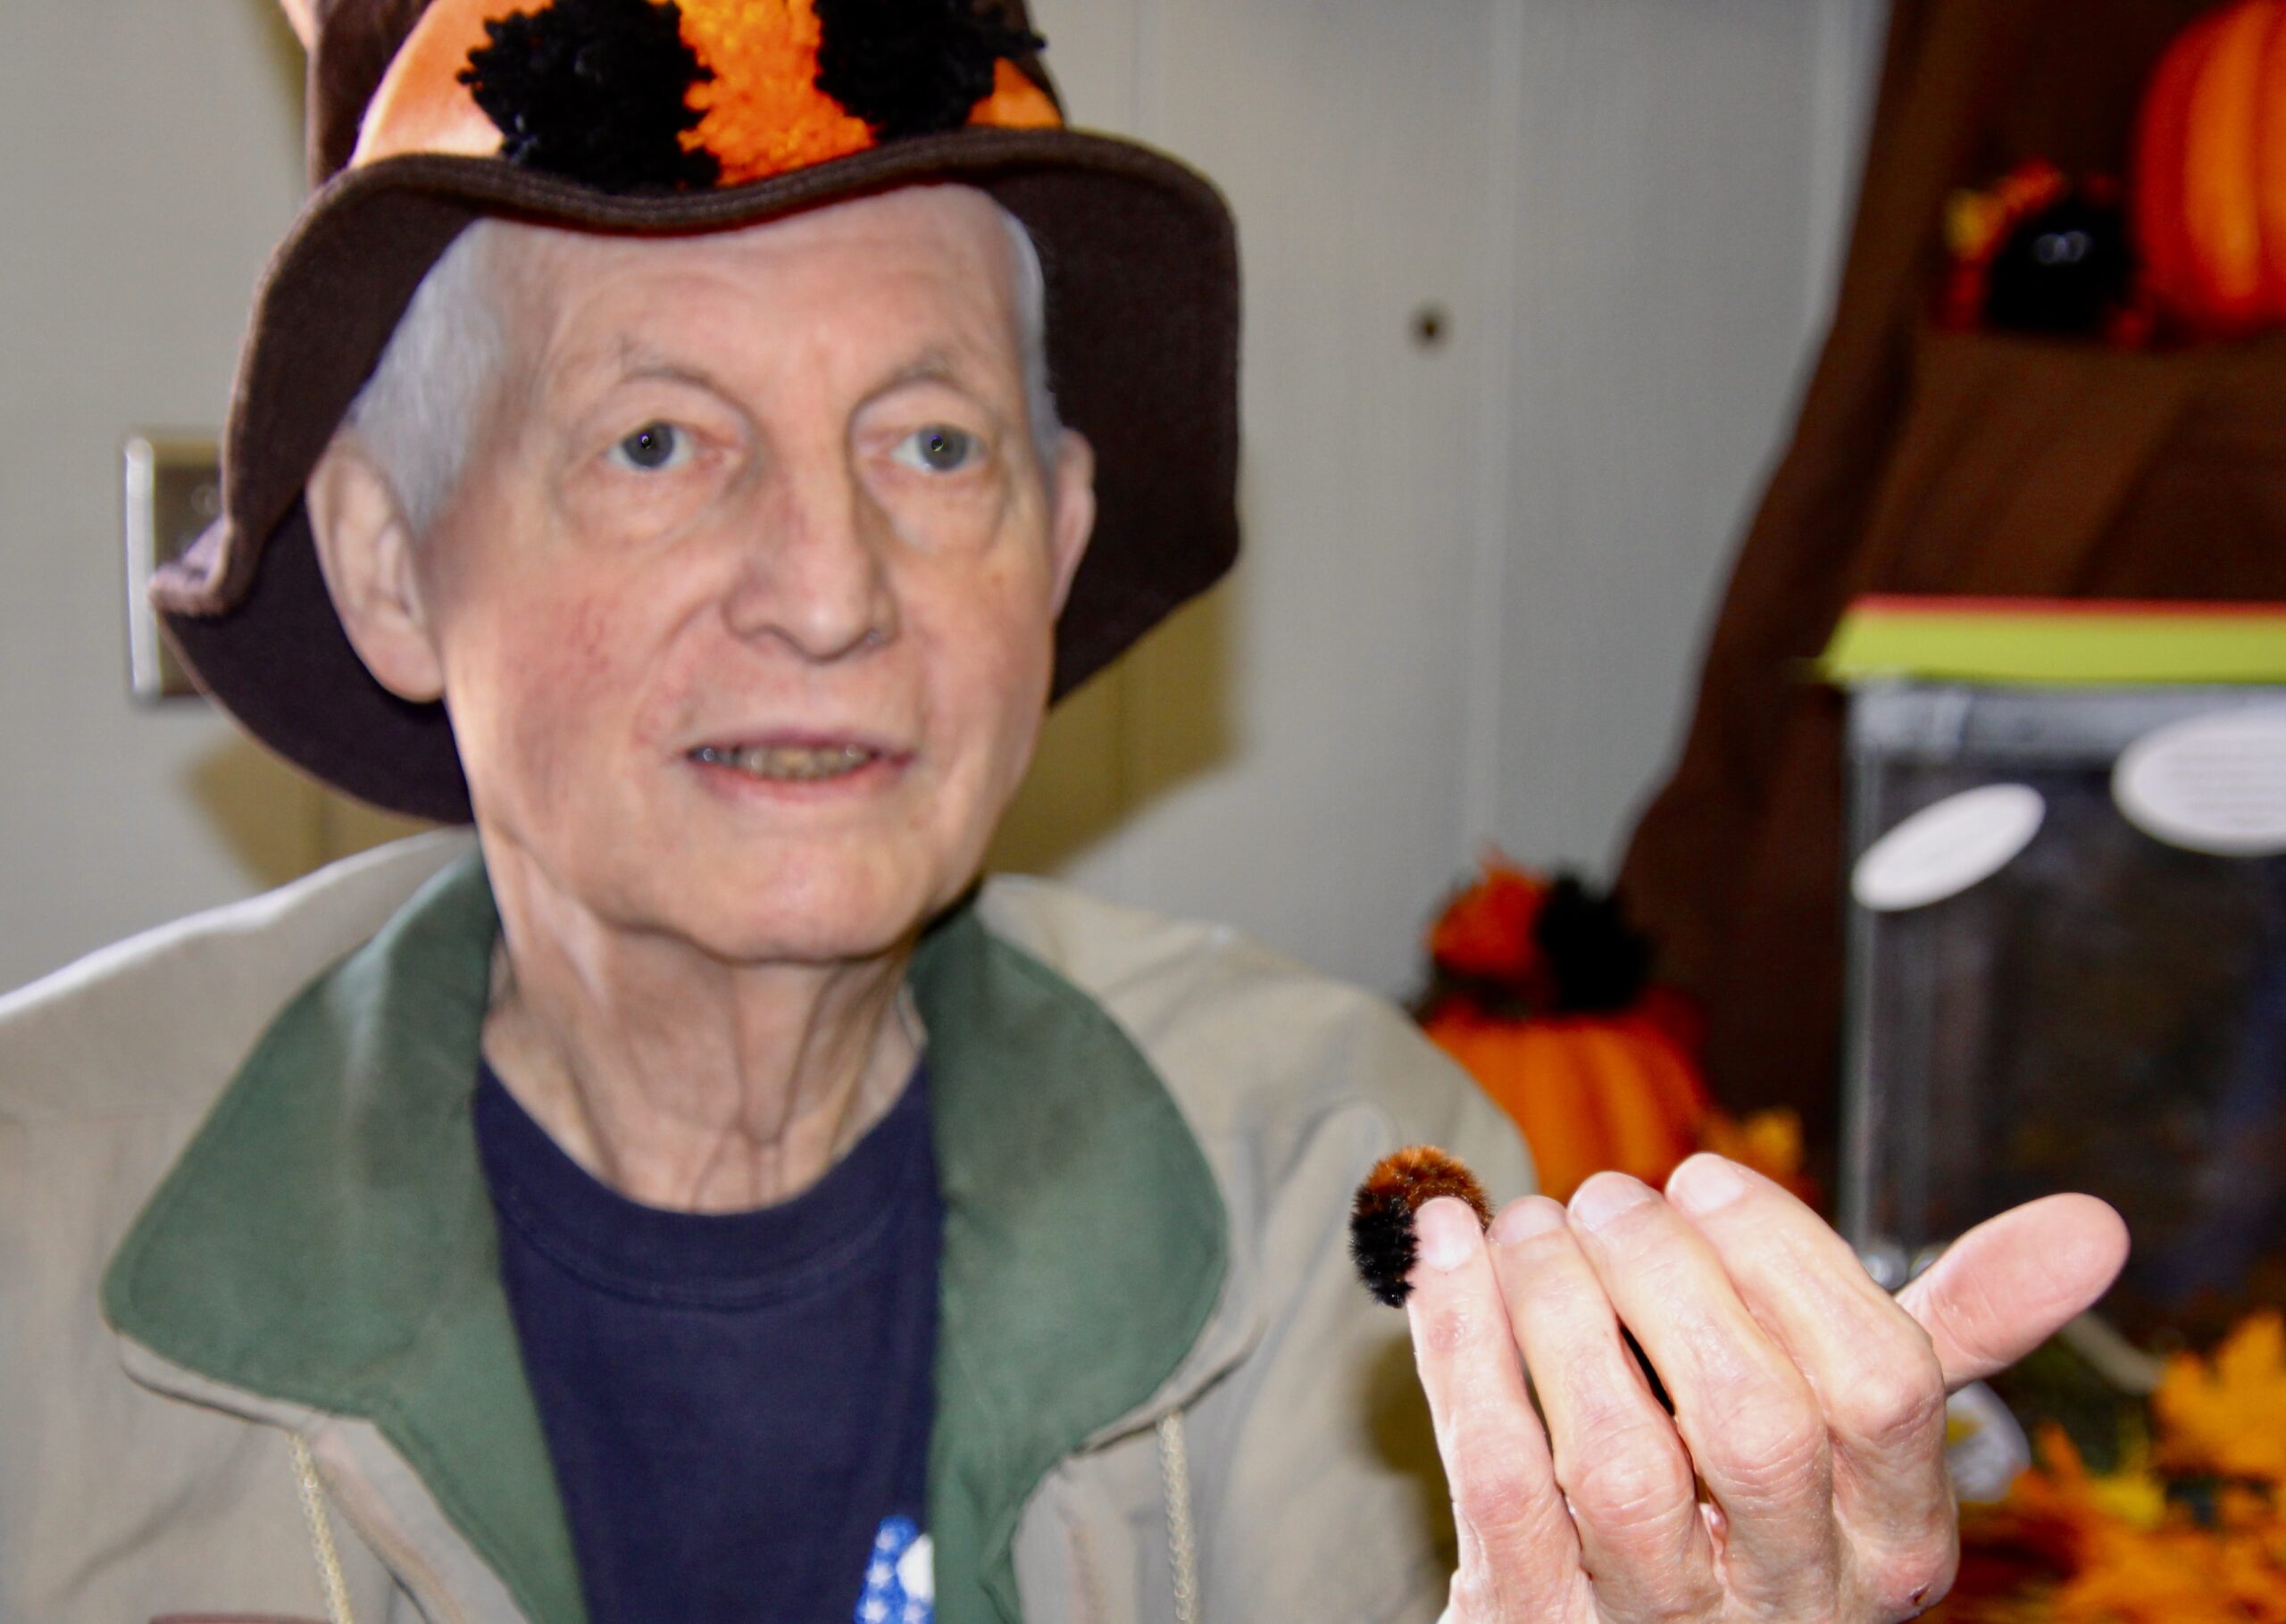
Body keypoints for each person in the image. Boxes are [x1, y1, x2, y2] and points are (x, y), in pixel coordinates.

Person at [0, 1, 2126, 1620]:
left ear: (1058, 528)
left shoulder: (1357, 1216)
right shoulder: (32, 1229)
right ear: (387, 562)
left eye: (931, 447)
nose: (832, 590)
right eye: (658, 443)